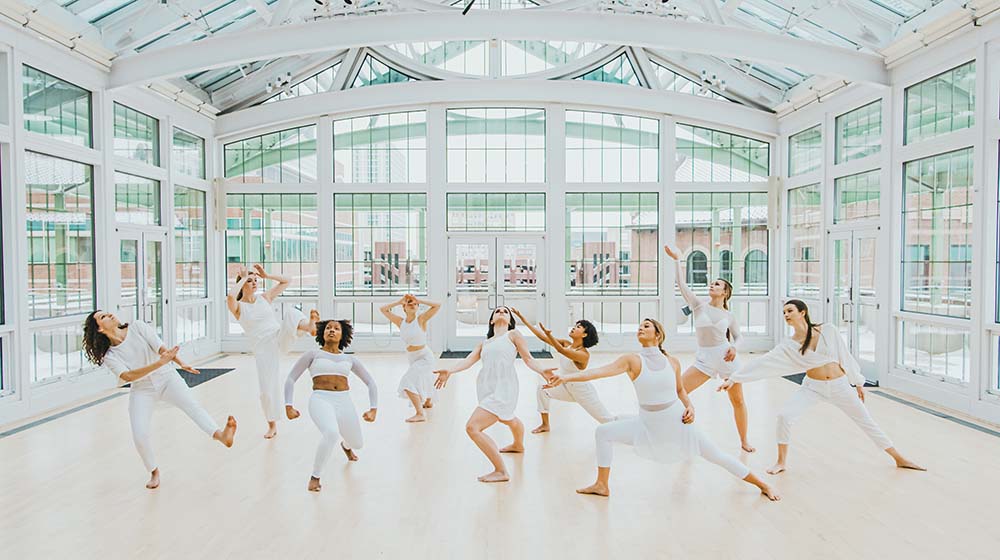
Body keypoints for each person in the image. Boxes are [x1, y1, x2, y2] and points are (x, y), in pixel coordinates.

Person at [548, 318, 779, 500]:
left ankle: (762, 484)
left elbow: (680, 391)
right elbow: (597, 372)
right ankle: (602, 485)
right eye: (639, 326)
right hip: (646, 424)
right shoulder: (632, 360)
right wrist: (566, 376)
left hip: (676, 422)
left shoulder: (673, 362)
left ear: (658, 334)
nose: (641, 328)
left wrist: (690, 406)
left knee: (716, 455)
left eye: (646, 326)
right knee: (603, 432)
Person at [718, 300, 925, 475]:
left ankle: (899, 458)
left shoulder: (828, 330)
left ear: (803, 312)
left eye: (790, 311)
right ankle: (781, 462)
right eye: (784, 313)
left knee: (866, 421)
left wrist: (858, 382)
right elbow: (764, 362)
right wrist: (734, 378)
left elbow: (845, 356)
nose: (786, 315)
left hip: (840, 386)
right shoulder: (789, 344)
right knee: (785, 416)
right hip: (812, 387)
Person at [83, 311, 237, 489]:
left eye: (107, 313)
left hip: (167, 378)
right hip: (142, 389)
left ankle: (222, 436)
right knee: (139, 434)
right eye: (103, 317)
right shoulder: (110, 355)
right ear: (100, 329)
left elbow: (162, 349)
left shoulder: (138, 327)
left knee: (193, 407)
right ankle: (154, 471)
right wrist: (159, 363)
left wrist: (180, 363)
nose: (109, 314)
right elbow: (128, 376)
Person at [434, 306, 556, 483]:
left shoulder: (513, 335)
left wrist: (542, 370)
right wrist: (449, 371)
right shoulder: (484, 343)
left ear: (510, 321)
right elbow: (468, 361)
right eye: (498, 311)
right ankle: (518, 445)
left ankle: (501, 471)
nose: (501, 312)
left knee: (473, 428)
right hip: (486, 387)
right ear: (491, 320)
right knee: (508, 418)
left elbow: (528, 359)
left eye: (506, 312)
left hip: (504, 388)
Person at [663, 244, 754, 452]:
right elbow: (681, 283)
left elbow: (739, 337)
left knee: (738, 400)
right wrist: (677, 259)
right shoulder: (698, 305)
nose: (712, 286)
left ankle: (744, 441)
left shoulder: (729, 316)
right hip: (704, 359)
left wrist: (733, 347)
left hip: (726, 358)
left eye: (717, 284)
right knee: (678, 392)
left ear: (725, 292)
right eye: (712, 283)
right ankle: (679, 433)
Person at [226, 264, 319, 438]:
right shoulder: (238, 307)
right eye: (250, 281)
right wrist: (243, 278)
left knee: (291, 313)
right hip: (263, 350)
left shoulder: (265, 298)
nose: (254, 283)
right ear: (243, 283)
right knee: (266, 390)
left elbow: (287, 281)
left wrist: (267, 275)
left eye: (255, 280)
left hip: (278, 337)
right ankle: (272, 425)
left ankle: (309, 327)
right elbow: (230, 296)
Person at [285, 319, 378, 492]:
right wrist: (288, 405)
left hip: (344, 400)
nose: (332, 330)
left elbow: (371, 382)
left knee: (358, 443)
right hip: (320, 399)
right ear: (322, 333)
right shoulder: (312, 355)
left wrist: (373, 409)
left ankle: (347, 446)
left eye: (336, 328)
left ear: (343, 335)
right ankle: (315, 477)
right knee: (331, 433)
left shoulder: (349, 359)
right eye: (328, 328)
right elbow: (291, 378)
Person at [509, 308, 615, 433]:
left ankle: (626, 430)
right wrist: (522, 318)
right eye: (575, 325)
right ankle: (545, 425)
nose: (574, 327)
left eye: (579, 327)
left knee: (605, 419)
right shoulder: (566, 343)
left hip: (582, 391)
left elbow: (562, 351)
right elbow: (542, 337)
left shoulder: (583, 354)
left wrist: (549, 334)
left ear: (584, 334)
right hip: (566, 387)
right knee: (543, 390)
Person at [379, 294, 441, 422]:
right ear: (404, 308)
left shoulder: (421, 319)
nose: (412, 305)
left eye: (415, 304)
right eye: (409, 303)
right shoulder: (400, 322)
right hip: (412, 357)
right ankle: (428, 402)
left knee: (408, 381)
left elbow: (437, 305)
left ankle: (420, 413)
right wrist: (399, 301)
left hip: (425, 357)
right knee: (424, 378)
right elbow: (383, 309)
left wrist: (419, 299)